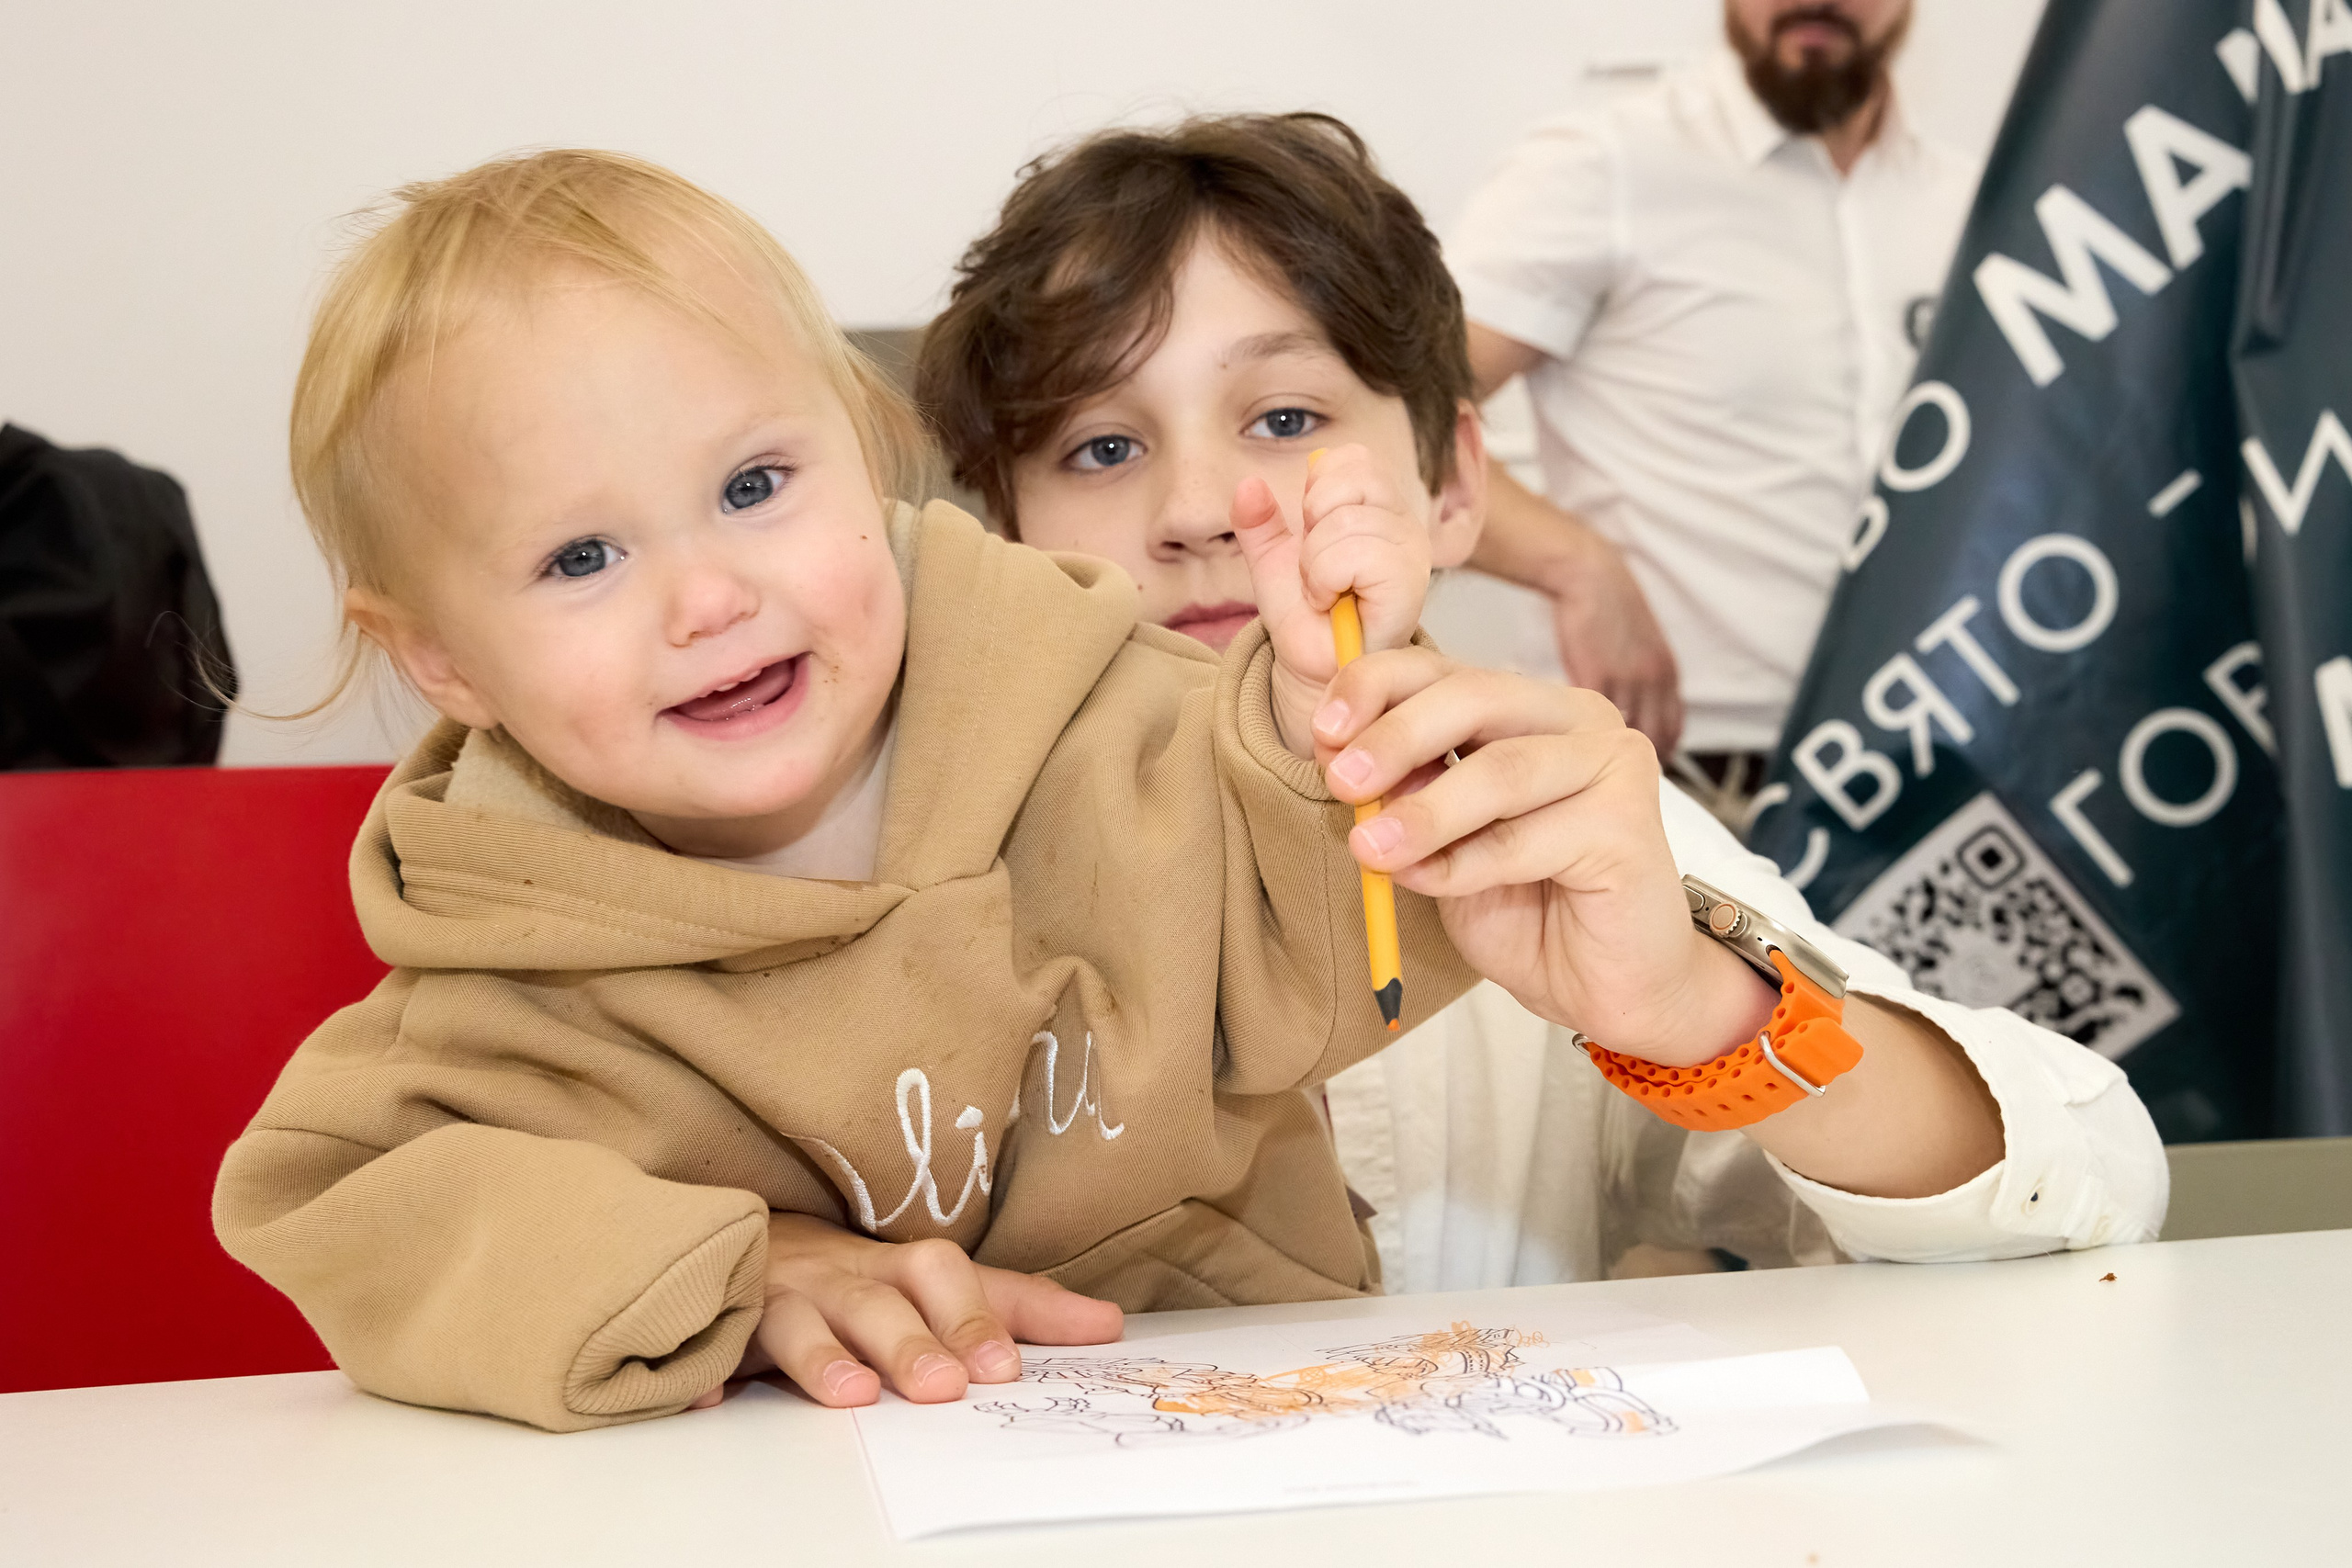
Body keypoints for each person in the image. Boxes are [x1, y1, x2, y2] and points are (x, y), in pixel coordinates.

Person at [212, 147, 1838, 1433]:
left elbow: (1330, 902)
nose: (707, 597)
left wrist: (1321, 730)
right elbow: (350, 1197)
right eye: (582, 556)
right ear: (439, 659)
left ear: (875, 465)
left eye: (756, 484)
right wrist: (732, 1267)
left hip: (1275, 1458)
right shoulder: (508, 935)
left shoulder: (1120, 731)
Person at [916, 113, 2163, 1299]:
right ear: (1002, 539)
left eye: (1285, 418)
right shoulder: (909, 856)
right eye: (1100, 447)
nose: (1198, 510)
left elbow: (2095, 1185)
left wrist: (1700, 1011)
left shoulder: (1558, 824)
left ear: (1453, 486)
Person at [1446, 0, 1975, 826]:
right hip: (1671, 788)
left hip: (1925, 777)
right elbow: (1391, 415)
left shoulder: (1976, 201)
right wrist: (1573, 562)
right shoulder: (1604, 167)